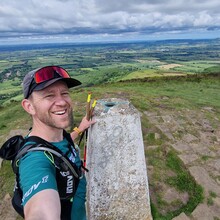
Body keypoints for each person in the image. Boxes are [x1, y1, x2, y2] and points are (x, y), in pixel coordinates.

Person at [20, 65, 95, 220]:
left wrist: (80, 128)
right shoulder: (34, 160)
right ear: (29, 106)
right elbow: (41, 211)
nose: (61, 102)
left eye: (64, 93)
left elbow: (62, 146)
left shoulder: (56, 137)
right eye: (49, 96)